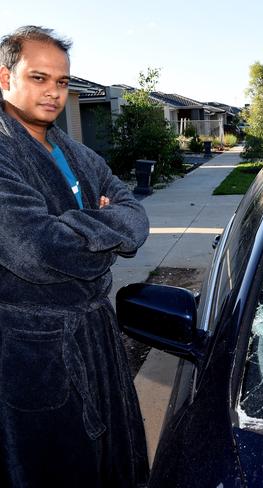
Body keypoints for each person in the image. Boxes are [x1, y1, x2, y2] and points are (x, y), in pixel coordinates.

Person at [0, 26, 149, 487]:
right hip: (34, 346)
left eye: (62, 82)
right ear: (5, 77)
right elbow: (36, 249)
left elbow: (136, 218)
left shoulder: (77, 153)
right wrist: (105, 231)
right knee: (54, 467)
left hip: (96, 334)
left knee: (112, 462)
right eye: (39, 77)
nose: (53, 93)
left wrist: (80, 229)